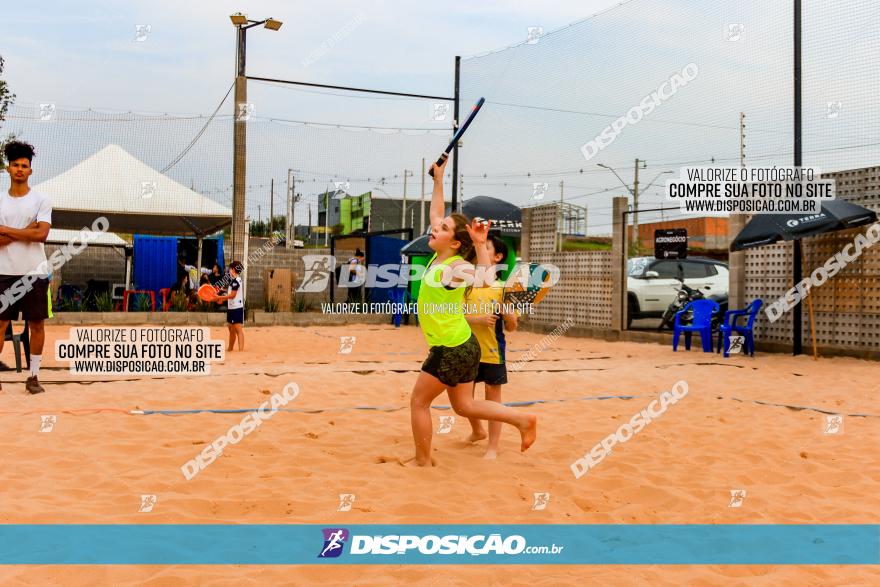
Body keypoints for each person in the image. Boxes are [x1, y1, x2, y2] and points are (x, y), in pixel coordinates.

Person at [408, 158, 536, 466]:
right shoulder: (440, 257)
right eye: (436, 227)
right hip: (464, 345)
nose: (434, 227)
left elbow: (487, 278)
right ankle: (522, 420)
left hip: (452, 348)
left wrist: (480, 243)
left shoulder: (454, 268)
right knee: (464, 406)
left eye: (442, 229)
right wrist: (438, 180)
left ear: (454, 242)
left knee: (418, 402)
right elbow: (436, 212)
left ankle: (422, 462)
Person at [0, 141, 52, 394]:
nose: (20, 169)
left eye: (25, 166)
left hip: (35, 272)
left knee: (37, 325)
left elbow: (42, 234)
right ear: (8, 168)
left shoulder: (41, 199)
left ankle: (33, 376)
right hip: (4, 271)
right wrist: (27, 230)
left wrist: (8, 230)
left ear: (30, 171)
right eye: (15, 165)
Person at [463, 234, 518, 459]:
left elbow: (513, 326)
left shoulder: (503, 288)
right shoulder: (466, 284)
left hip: (493, 351)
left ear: (497, 257)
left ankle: (492, 447)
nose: (479, 252)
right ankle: (477, 431)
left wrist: (509, 316)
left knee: (492, 398)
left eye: (485, 248)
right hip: (466, 348)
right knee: (463, 398)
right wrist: (477, 319)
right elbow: (457, 316)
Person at [214, 261, 244, 351]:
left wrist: (220, 297)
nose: (229, 271)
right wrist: (222, 296)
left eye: (230, 269)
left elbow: (232, 295)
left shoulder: (236, 281)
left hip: (236, 307)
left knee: (238, 329)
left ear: (233, 269)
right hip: (232, 307)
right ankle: (230, 348)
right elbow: (230, 293)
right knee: (231, 328)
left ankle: (241, 350)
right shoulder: (233, 281)